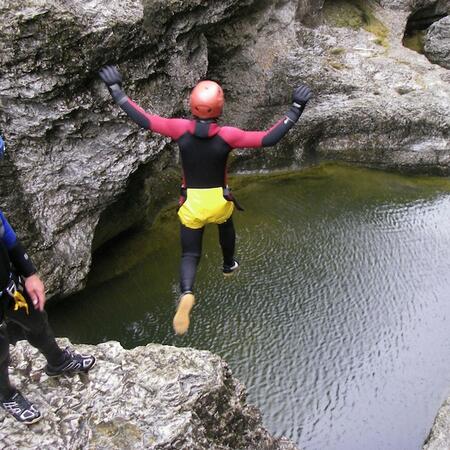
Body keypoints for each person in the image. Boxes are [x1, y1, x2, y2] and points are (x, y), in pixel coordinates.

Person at [99, 66, 312, 335]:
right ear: (219, 108)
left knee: (190, 253)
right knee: (226, 226)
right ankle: (228, 264)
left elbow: (145, 119)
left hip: (192, 203)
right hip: (218, 200)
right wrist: (295, 108)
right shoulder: (228, 136)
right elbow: (268, 138)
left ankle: (187, 291)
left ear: (193, 106)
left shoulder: (179, 129)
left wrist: (117, 91)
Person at [0, 136, 96, 425]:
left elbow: (5, 233)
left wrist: (28, 272)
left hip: (7, 283)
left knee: (34, 319)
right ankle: (6, 395)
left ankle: (57, 360)